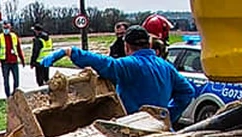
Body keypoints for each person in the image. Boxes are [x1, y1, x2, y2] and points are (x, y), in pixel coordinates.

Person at [41, 25, 194, 127]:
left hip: (135, 128)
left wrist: (69, 52)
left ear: (126, 47)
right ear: (148, 44)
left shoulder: (129, 65)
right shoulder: (166, 66)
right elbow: (187, 92)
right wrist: (167, 115)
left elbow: (103, 63)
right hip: (160, 127)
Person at [0, 20, 25, 98]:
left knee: (16, 80)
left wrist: (22, 60)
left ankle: (15, 94)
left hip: (14, 61)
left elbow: (19, 49)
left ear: (10, 28)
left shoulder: (14, 36)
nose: (6, 29)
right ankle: (8, 96)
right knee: (6, 80)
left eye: (7, 28)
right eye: (4, 28)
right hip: (5, 62)